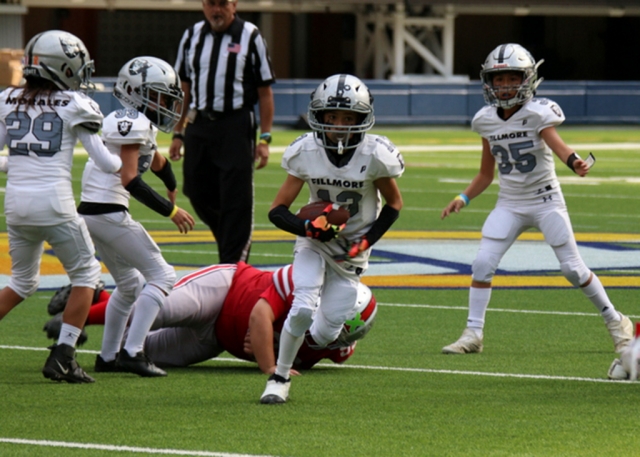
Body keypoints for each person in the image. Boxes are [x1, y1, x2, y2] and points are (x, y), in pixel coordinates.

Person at [440, 43, 633, 355]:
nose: (504, 87)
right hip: (510, 203)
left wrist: (575, 162)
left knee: (572, 268)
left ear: (527, 79)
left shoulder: (537, 112)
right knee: (482, 264)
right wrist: (463, 196)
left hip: (546, 201)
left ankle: (616, 321)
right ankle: (473, 333)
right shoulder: (485, 120)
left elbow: (558, 145)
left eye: (511, 79)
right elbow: (486, 174)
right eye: (498, 80)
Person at [260, 74, 404, 404]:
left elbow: (394, 204)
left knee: (324, 334)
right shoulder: (305, 151)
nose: (339, 125)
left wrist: (366, 241)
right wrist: (308, 230)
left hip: (351, 253)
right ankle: (279, 378)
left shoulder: (376, 154)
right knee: (300, 309)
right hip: (315, 243)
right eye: (332, 117)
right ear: (320, 117)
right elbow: (277, 210)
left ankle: (345, 317)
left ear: (361, 119)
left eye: (348, 118)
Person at [0, 30, 122, 383]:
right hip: (54, 204)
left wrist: (20, 161)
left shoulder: (8, 99)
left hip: (17, 206)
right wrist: (124, 162)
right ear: (61, 68)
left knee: (22, 282)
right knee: (86, 275)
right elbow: (105, 162)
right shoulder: (75, 104)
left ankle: (64, 355)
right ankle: (64, 356)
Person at [78, 56, 195, 377]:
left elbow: (156, 161)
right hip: (107, 212)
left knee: (129, 284)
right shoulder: (130, 120)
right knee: (163, 276)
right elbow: (129, 178)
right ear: (134, 92)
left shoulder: (140, 125)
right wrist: (171, 210)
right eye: (157, 95)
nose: (165, 103)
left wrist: (171, 185)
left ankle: (108, 356)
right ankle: (133, 351)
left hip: (95, 212)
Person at [42, 262, 378, 373]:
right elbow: (260, 316)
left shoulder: (336, 348)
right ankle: (84, 311)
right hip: (223, 290)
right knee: (150, 313)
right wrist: (270, 363)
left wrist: (269, 345)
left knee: (137, 355)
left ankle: (94, 304)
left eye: (340, 333)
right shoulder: (304, 285)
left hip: (214, 340)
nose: (331, 334)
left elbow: (339, 352)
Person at [169, 0, 275, 264]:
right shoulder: (191, 35)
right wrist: (178, 132)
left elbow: (265, 92)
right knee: (195, 189)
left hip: (236, 124)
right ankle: (230, 241)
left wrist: (265, 138)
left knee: (235, 197)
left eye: (222, 4)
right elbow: (184, 87)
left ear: (234, 5)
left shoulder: (250, 35)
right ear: (203, 5)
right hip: (200, 123)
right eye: (211, 4)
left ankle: (233, 266)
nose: (217, 10)